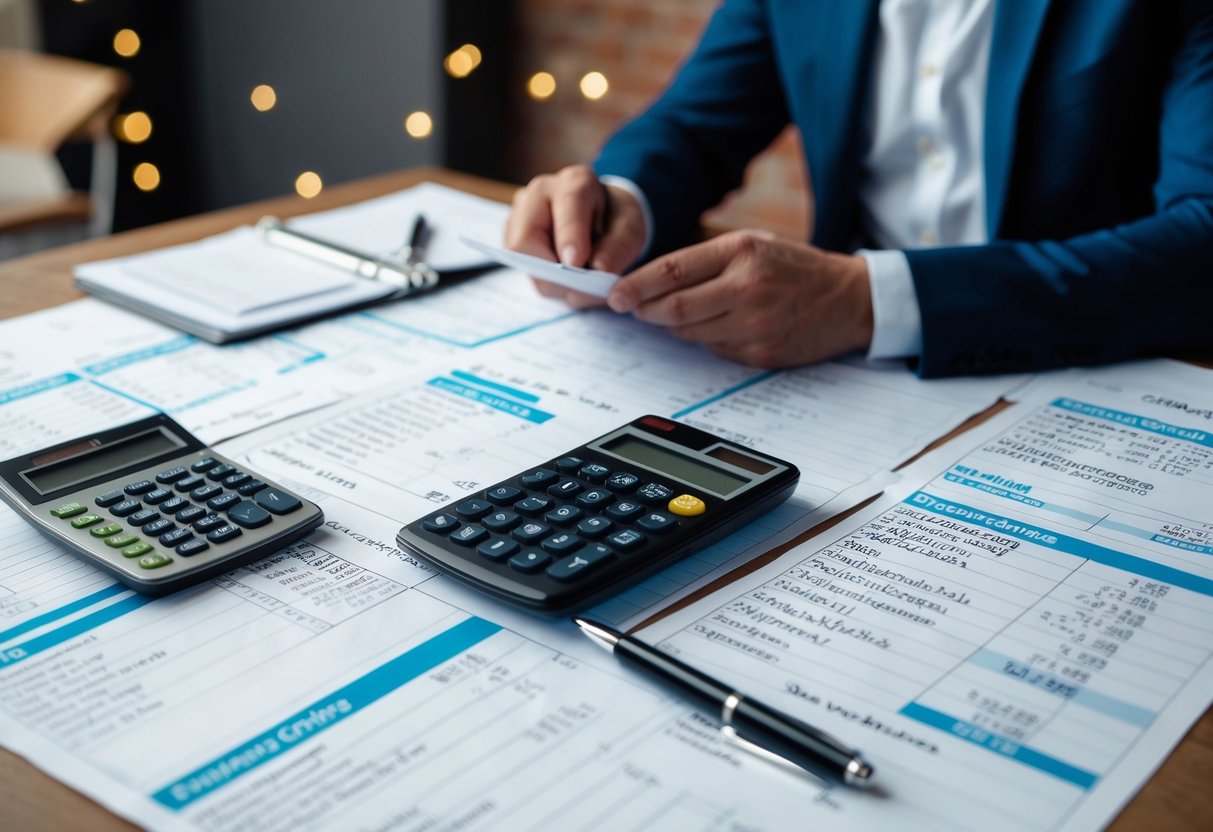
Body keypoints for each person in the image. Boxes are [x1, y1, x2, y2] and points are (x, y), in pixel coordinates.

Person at [504, 0, 1213, 377]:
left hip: (1093, 366)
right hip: (837, 381)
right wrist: (624, 199)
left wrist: (867, 300)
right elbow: (693, 126)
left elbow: (1201, 239)